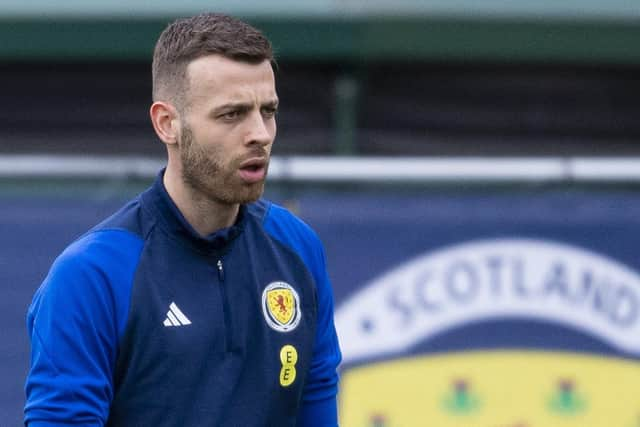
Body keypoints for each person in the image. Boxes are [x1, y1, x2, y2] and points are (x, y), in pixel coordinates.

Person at [24, 13, 342, 427]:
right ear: (166, 123)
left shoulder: (297, 249)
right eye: (232, 114)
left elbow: (316, 407)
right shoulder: (91, 275)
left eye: (268, 111)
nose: (260, 134)